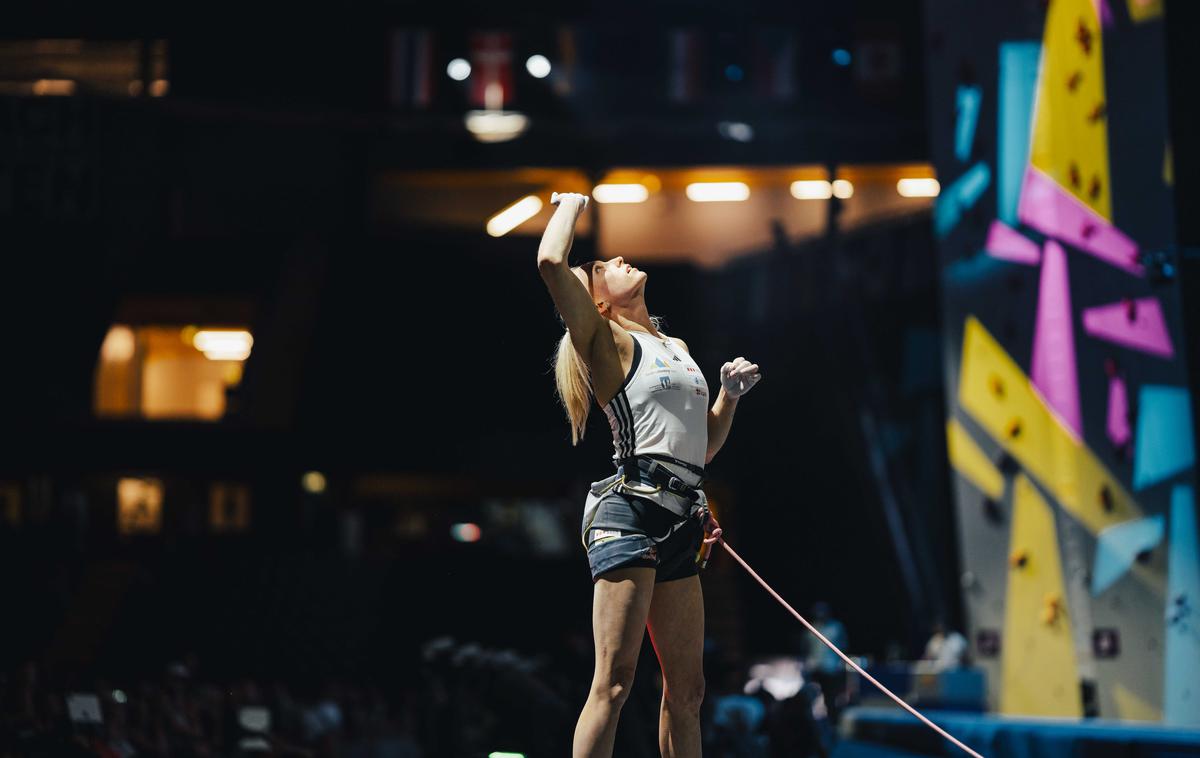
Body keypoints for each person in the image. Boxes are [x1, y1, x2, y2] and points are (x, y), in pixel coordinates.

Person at [537, 192, 762, 758]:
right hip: (629, 512)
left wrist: (729, 398)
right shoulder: (605, 340)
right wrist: (569, 203)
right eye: (604, 267)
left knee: (689, 691)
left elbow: (702, 449)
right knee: (614, 682)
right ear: (597, 302)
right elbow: (548, 263)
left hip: (683, 517)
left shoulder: (677, 347)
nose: (618, 261)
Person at [803, 602, 848, 726]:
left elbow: (843, 646)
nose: (820, 615)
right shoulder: (811, 628)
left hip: (831, 669)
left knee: (830, 698)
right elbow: (806, 648)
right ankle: (811, 724)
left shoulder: (836, 627)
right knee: (810, 697)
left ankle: (832, 724)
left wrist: (839, 665)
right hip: (814, 668)